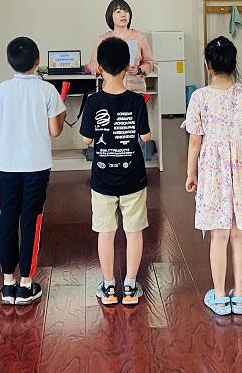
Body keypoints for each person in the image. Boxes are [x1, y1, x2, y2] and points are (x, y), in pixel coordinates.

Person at [185, 36, 242, 316]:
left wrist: (191, 172)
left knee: (218, 234)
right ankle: (239, 296)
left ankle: (219, 297)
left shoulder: (199, 97)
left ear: (207, 65)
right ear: (233, 63)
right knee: (239, 233)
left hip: (212, 167)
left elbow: (195, 141)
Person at [0, 37, 66, 305]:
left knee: (7, 218)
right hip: (37, 166)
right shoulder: (47, 90)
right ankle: (26, 285)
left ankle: (8, 283)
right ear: (38, 61)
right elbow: (55, 131)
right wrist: (61, 115)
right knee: (32, 219)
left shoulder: (2, 89)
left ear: (8, 61)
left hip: (8, 166)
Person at [81, 37, 151, 306]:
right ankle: (131, 287)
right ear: (127, 67)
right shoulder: (136, 101)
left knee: (106, 232)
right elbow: (145, 137)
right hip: (133, 177)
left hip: (102, 180)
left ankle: (109, 287)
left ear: (99, 67)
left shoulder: (93, 101)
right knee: (134, 232)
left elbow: (86, 140)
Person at [88, 0, 153, 95]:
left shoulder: (139, 36)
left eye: (126, 11)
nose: (123, 15)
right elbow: (93, 64)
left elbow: (149, 62)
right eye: (118, 12)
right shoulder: (104, 39)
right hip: (111, 92)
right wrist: (104, 69)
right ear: (110, 16)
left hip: (135, 91)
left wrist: (139, 70)